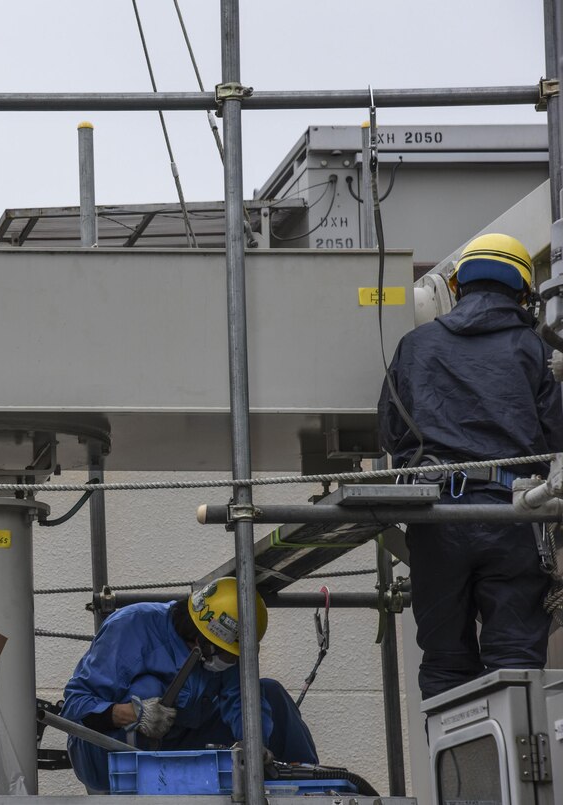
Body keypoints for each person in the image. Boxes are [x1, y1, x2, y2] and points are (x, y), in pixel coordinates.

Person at [378, 232, 563, 701]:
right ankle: (520, 771)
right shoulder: (535, 351)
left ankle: (455, 774)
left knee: (444, 663)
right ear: (524, 293)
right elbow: (557, 436)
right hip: (515, 515)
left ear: (458, 286)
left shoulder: (416, 346)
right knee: (516, 660)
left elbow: (392, 435)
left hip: (438, 517)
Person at [61, 577, 318, 793]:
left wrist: (252, 742)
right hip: (109, 755)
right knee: (148, 688)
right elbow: (75, 706)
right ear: (201, 641)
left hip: (177, 749)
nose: (232, 662)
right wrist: (132, 714)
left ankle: (314, 789)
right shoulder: (132, 626)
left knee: (269, 692)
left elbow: (241, 699)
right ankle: (141, 791)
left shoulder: (221, 647)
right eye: (230, 656)